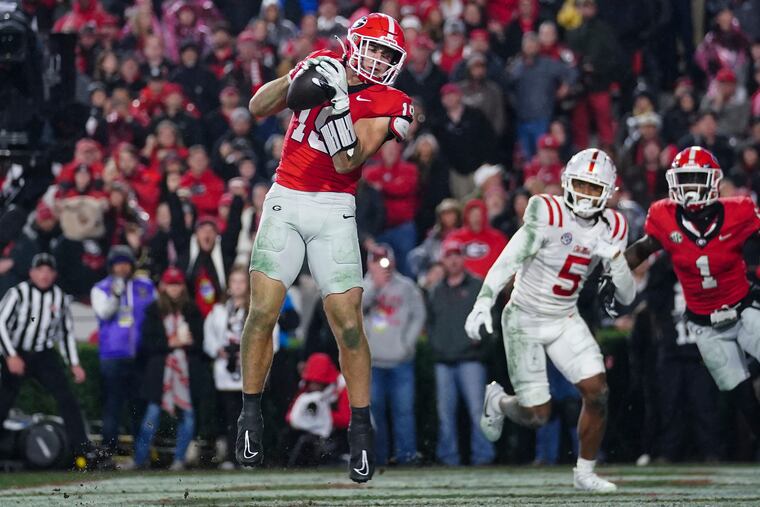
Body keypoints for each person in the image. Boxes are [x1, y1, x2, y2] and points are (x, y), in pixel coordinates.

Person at [236, 13, 414, 483]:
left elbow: (348, 159)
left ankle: (360, 429)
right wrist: (300, 74)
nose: (377, 59)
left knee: (349, 327)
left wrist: (337, 101)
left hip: (336, 207)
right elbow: (257, 106)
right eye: (372, 48)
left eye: (386, 54)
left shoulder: (393, 102)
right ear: (354, 44)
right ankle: (250, 415)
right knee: (262, 314)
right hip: (285, 199)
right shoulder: (323, 61)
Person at [466, 149, 636, 492]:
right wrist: (483, 301)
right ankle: (497, 401)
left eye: (594, 188)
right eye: (581, 186)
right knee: (537, 415)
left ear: (608, 192)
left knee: (598, 393)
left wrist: (616, 259)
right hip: (524, 316)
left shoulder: (615, 226)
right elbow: (510, 256)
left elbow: (627, 296)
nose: (586, 195)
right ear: (566, 183)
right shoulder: (548, 210)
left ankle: (585, 472)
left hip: (565, 316)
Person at [623, 146, 760, 442]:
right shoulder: (664, 216)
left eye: (697, 178)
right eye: (684, 179)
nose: (690, 187)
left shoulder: (740, 210)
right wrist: (612, 272)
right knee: (739, 391)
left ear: (713, 181)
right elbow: (643, 249)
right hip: (703, 322)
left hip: (742, 306)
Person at [0, 254, 104, 467]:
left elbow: (66, 333)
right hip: (15, 351)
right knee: (3, 402)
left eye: (48, 271)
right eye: (40, 270)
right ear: (32, 272)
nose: (44, 275)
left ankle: (82, 451)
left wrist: (74, 363)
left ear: (54, 274)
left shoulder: (59, 297)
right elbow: (0, 324)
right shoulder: (18, 293)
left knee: (67, 399)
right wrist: (10, 355)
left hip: (42, 354)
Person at [427, 240, 495, 466]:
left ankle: (483, 456)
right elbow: (430, 323)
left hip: (470, 359)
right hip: (443, 360)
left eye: (457, 255)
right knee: (444, 414)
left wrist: (479, 339)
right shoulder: (436, 289)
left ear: (463, 258)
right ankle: (449, 458)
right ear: (443, 260)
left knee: (477, 411)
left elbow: (490, 317)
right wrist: (437, 345)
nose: (454, 260)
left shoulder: (477, 285)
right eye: (449, 256)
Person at [133, 267, 205, 470]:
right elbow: (147, 343)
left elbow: (200, 343)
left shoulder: (192, 310)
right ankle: (140, 458)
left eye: (177, 284)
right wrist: (171, 342)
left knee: (187, 416)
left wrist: (187, 342)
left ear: (182, 286)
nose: (174, 289)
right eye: (170, 284)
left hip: (185, 373)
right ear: (163, 286)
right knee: (151, 417)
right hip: (160, 373)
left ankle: (179, 459)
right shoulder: (154, 310)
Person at [362, 245, 425, 466]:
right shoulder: (361, 287)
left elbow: (419, 315)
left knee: (404, 412)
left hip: (401, 360)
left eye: (385, 260)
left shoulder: (407, 287)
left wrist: (407, 343)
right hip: (373, 361)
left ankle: (406, 457)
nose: (382, 265)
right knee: (374, 412)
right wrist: (374, 287)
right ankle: (378, 458)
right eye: (377, 261)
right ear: (369, 264)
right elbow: (353, 312)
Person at [91, 245, 157, 455]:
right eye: (118, 263)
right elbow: (104, 313)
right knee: (113, 406)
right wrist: (116, 295)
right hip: (113, 356)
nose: (122, 268)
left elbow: (155, 313)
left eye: (125, 263)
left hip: (139, 355)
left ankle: (141, 454)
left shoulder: (145, 285)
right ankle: (108, 453)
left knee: (138, 406)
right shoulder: (101, 288)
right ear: (111, 266)